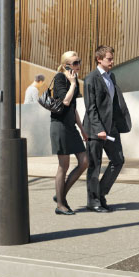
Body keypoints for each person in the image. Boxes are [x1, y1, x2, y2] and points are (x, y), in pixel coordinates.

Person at [82, 45, 131, 212]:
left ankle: (100, 193)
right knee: (94, 166)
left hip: (111, 128)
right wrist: (98, 129)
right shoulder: (91, 79)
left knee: (118, 160)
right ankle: (93, 201)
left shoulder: (111, 76)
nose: (112, 62)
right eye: (109, 59)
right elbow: (90, 107)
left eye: (112, 58)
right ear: (99, 59)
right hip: (95, 129)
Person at [46, 51, 90, 216]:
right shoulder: (60, 78)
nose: (79, 65)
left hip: (71, 127)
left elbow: (73, 108)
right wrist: (72, 84)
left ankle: (60, 194)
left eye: (79, 62)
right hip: (60, 126)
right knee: (63, 166)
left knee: (84, 161)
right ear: (66, 65)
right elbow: (65, 101)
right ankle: (60, 204)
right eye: (75, 63)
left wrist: (82, 129)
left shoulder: (75, 80)